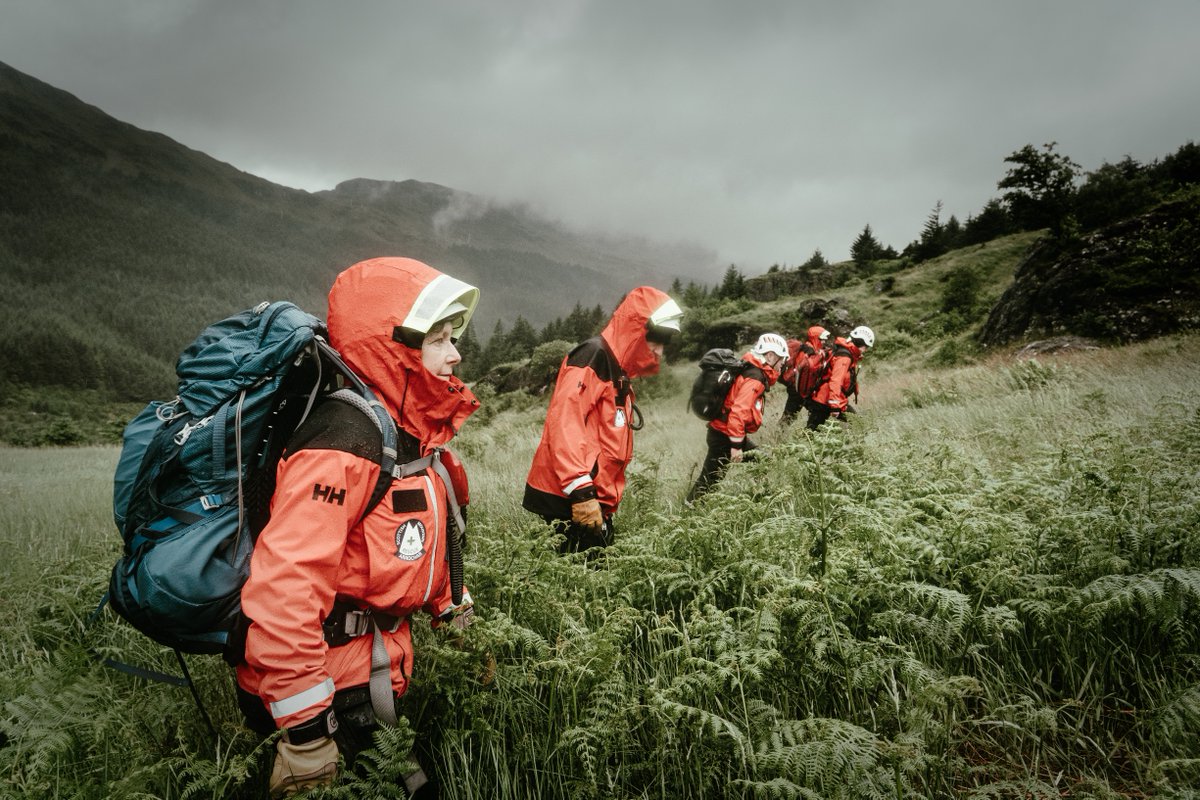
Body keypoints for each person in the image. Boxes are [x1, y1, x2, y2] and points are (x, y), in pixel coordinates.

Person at [235, 257, 481, 798]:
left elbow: (423, 543)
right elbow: (285, 588)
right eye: (438, 340)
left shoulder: (408, 436)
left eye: (452, 337)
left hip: (373, 671)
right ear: (392, 347)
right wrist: (304, 736)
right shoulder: (343, 442)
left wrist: (455, 614)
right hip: (326, 686)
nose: (455, 353)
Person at [523, 286, 684, 553]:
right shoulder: (593, 356)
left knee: (593, 575)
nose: (659, 351)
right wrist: (582, 493)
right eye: (656, 340)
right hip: (570, 496)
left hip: (590, 497)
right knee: (584, 580)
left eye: (664, 343)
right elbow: (564, 424)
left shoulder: (617, 370)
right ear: (637, 331)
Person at [686, 332, 787, 502]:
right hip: (724, 435)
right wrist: (736, 445)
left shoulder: (751, 369)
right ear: (770, 356)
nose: (783, 363)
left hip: (724, 432)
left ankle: (759, 497)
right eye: (781, 358)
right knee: (709, 481)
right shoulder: (755, 377)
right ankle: (688, 512)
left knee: (762, 461)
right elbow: (738, 411)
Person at [806, 325, 875, 430]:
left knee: (858, 424)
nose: (865, 350)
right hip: (825, 401)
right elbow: (836, 381)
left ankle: (857, 444)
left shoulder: (847, 353)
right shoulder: (844, 357)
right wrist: (835, 405)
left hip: (831, 399)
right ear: (860, 342)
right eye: (865, 347)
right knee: (810, 433)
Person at [779, 325, 830, 425]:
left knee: (814, 413)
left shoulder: (814, 350)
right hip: (797, 390)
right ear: (815, 338)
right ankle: (778, 436)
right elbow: (800, 371)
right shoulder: (807, 351)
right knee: (789, 417)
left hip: (803, 390)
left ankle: (810, 432)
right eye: (821, 339)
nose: (824, 342)